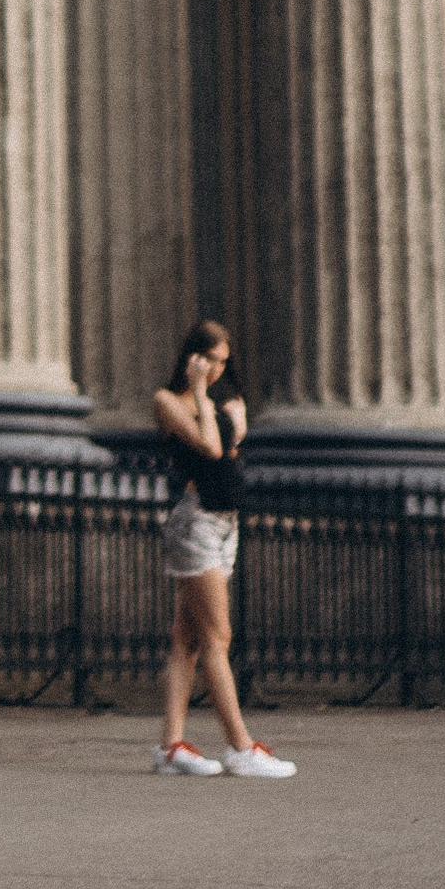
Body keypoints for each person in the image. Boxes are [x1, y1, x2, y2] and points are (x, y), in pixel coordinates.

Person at [150, 318, 294, 781]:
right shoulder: (170, 401)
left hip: (224, 524)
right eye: (209, 359)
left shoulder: (218, 401)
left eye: (223, 362)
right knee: (217, 638)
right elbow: (212, 448)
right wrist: (200, 394)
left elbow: (234, 439)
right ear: (191, 356)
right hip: (195, 526)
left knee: (186, 640)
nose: (215, 368)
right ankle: (240, 746)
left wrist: (222, 407)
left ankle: (170, 747)